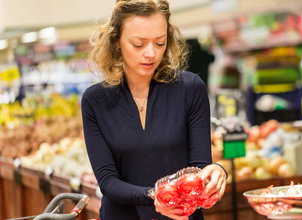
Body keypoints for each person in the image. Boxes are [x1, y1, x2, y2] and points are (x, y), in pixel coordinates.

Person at [81, 0, 227, 219]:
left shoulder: (190, 88)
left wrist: (216, 172)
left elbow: (198, 169)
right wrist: (155, 196)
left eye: (159, 43)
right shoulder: (95, 100)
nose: (150, 53)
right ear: (116, 41)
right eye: (138, 44)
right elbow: (108, 182)